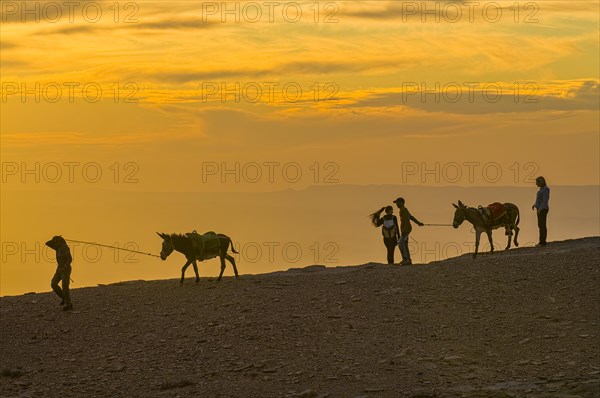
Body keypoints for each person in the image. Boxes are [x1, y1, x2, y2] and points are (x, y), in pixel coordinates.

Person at [45, 236, 73, 311]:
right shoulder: (57, 248)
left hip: (65, 270)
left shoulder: (65, 248)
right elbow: (47, 243)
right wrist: (54, 240)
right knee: (53, 284)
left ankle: (69, 304)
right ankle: (64, 298)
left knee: (65, 287)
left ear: (59, 242)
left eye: (56, 242)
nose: (54, 243)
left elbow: (70, 259)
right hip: (59, 269)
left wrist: (65, 267)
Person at [394, 197, 424, 265]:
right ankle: (408, 259)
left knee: (400, 243)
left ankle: (405, 259)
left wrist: (405, 231)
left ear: (401, 203)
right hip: (406, 230)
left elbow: (407, 220)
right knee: (405, 244)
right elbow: (411, 217)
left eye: (397, 203)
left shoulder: (403, 210)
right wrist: (418, 223)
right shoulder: (404, 209)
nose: (396, 204)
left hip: (406, 230)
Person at [532, 176, 550, 247]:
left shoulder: (545, 190)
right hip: (540, 209)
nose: (536, 184)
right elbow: (540, 200)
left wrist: (540, 209)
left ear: (540, 182)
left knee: (542, 225)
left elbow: (545, 201)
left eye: (537, 182)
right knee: (540, 225)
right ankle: (542, 241)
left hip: (542, 210)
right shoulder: (542, 189)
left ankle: (542, 242)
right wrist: (535, 205)